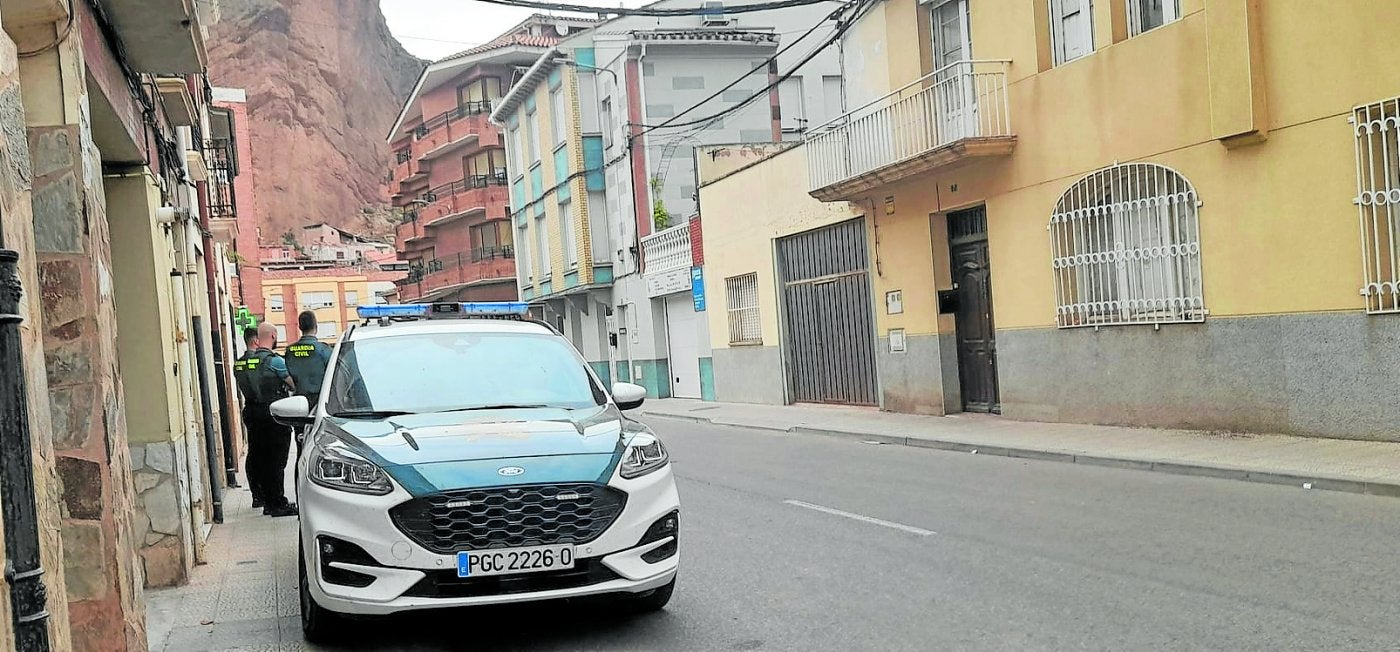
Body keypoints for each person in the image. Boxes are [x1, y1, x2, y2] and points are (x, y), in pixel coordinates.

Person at [245, 322, 299, 517]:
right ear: (274, 336)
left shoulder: (248, 361)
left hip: (253, 413)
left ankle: (267, 501)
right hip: (274, 416)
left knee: (262, 458)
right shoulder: (275, 361)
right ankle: (278, 503)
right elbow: (293, 384)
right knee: (277, 461)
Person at [284, 311, 332, 478]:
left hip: (299, 407)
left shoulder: (290, 351)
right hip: (321, 406)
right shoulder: (323, 350)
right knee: (323, 451)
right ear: (316, 327)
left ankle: (300, 484)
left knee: (301, 450)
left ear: (299, 327)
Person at [232, 327, 264, 509]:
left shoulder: (238, 364)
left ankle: (256, 494)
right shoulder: (257, 361)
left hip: (249, 408)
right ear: (256, 341)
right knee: (265, 453)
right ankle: (263, 493)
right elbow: (258, 386)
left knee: (253, 452)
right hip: (260, 408)